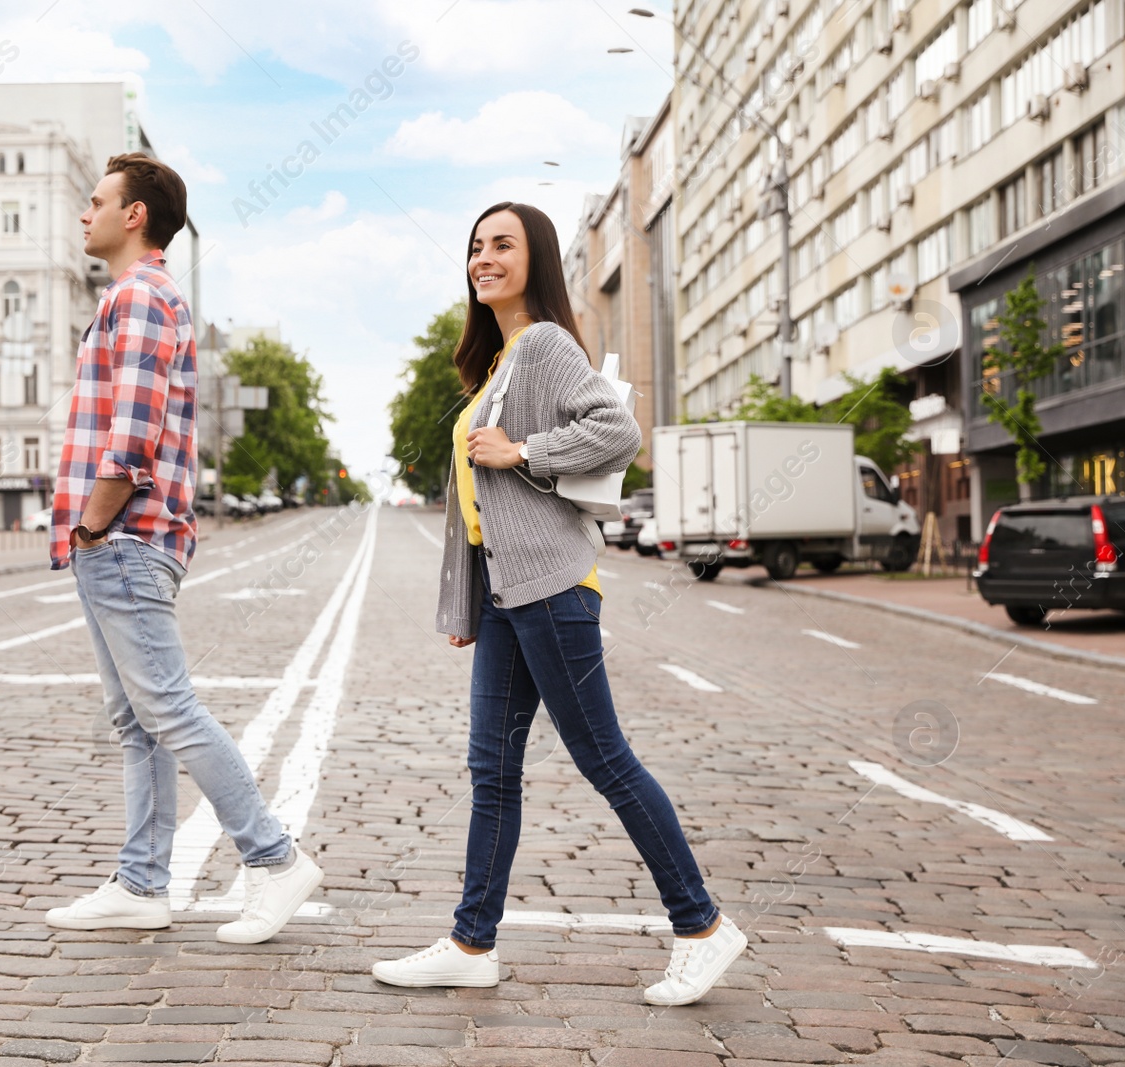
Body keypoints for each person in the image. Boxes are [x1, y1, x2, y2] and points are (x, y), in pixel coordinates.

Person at [370, 202, 744, 1005]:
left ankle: (704, 926)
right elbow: (477, 509)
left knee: (605, 759)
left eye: (502, 244)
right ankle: (473, 942)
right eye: (475, 246)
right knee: (492, 769)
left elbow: (616, 429)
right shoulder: (501, 361)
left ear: (536, 257)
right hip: (511, 598)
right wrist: (471, 605)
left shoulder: (541, 344)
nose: (483, 257)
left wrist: (523, 449)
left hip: (552, 591)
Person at [43, 152, 322, 944]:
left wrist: (93, 525)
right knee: (137, 720)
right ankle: (141, 882)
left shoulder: (139, 298)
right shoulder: (142, 297)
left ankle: (273, 858)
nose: (84, 213)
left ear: (135, 216)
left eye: (96, 201)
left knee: (166, 707)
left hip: (124, 537)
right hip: (121, 539)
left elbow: (130, 440)